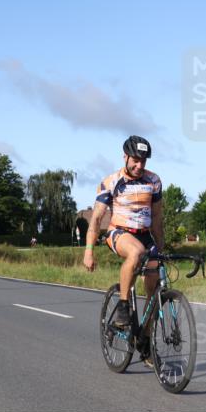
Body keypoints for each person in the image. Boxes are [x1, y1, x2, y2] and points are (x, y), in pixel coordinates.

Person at [82, 135, 164, 331]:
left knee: (155, 286)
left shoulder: (154, 181)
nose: (139, 165)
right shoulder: (111, 181)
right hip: (118, 232)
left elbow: (157, 218)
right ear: (125, 157)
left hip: (144, 234)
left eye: (143, 161)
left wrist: (161, 247)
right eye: (135, 160)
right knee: (135, 252)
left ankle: (145, 338)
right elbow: (96, 218)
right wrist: (88, 251)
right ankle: (123, 306)